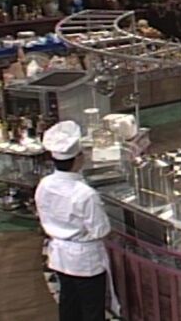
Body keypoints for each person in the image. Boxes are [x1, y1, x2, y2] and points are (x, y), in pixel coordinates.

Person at [36, 121, 120, 321]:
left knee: (68, 303)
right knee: (92, 310)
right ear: (77, 159)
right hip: (85, 261)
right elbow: (100, 230)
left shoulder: (44, 184)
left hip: (59, 256)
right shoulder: (85, 194)